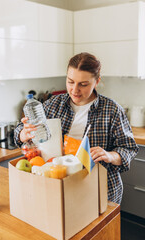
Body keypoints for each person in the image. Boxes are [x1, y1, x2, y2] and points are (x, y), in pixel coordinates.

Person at [14, 52, 138, 204]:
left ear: (97, 81)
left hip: (100, 192)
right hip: (58, 188)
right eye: (70, 82)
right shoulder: (54, 104)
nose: (74, 90)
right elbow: (19, 130)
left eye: (83, 84)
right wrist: (23, 133)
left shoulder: (112, 110)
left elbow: (129, 149)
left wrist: (110, 155)